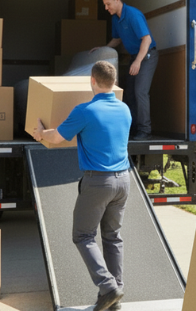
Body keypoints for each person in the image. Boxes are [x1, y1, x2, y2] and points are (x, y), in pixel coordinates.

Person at [34, 61, 131, 311]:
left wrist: (42, 133)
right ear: (114, 82)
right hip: (124, 180)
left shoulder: (85, 110)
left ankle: (108, 286)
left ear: (92, 80)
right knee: (112, 237)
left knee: (83, 235)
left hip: (99, 181)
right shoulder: (125, 109)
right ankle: (114, 297)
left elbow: (57, 137)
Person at [95, 0, 158, 141]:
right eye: (105, 5)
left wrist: (137, 61)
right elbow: (117, 39)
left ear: (117, 0)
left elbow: (147, 39)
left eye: (108, 4)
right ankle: (134, 128)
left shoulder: (133, 15)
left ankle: (145, 131)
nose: (106, 8)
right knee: (129, 93)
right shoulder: (115, 19)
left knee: (140, 92)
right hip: (135, 57)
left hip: (147, 55)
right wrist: (104, 49)